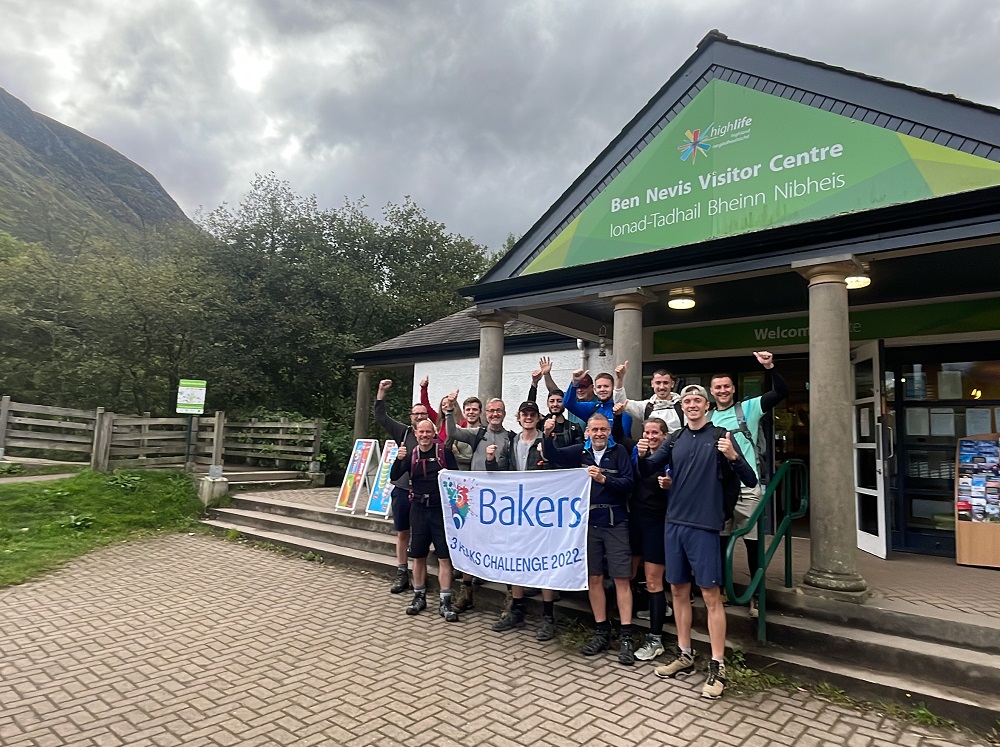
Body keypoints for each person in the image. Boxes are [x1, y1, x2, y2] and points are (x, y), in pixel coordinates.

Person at [637, 385, 757, 699]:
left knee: (710, 595)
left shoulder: (722, 436)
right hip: (673, 523)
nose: (691, 405)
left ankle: (718, 666)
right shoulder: (675, 438)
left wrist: (733, 456)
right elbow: (648, 468)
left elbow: (751, 480)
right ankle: (685, 654)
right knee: (677, 590)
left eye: (697, 400)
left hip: (704, 526)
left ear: (706, 405)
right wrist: (643, 454)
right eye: (687, 400)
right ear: (683, 407)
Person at [542, 412, 637, 665]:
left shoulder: (619, 453)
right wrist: (547, 435)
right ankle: (601, 630)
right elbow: (553, 456)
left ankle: (627, 636)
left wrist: (604, 479)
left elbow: (629, 483)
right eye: (594, 430)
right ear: (587, 432)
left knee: (621, 578)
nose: (598, 434)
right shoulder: (580, 452)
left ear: (609, 431)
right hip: (588, 525)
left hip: (616, 522)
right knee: (594, 578)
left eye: (602, 430)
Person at [708, 351, 788, 617]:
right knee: (719, 544)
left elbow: (781, 392)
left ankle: (755, 595)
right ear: (712, 391)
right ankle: (721, 592)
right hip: (719, 492)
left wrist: (769, 367)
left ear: (733, 389)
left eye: (726, 387)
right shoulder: (707, 418)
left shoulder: (749, 408)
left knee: (752, 544)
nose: (722, 391)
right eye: (717, 387)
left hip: (747, 490)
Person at [486, 401, 561, 641]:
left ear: (537, 417)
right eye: (524, 414)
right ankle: (517, 609)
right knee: (513, 558)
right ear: (518, 418)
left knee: (544, 561)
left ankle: (548, 617)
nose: (528, 418)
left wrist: (547, 454)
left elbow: (558, 469)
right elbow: (503, 473)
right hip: (516, 511)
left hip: (540, 511)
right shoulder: (511, 442)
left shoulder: (546, 440)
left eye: (532, 414)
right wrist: (490, 462)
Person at [444, 393, 515, 611]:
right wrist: (449, 411)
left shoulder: (512, 438)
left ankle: (511, 595)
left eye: (498, 411)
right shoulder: (478, 433)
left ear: (504, 414)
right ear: (486, 414)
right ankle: (466, 591)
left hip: (500, 502)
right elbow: (453, 432)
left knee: (504, 546)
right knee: (470, 543)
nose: (495, 414)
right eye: (491, 411)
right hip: (475, 499)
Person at [389, 419, 461, 622]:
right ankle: (419, 597)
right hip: (418, 510)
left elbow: (457, 478)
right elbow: (394, 476)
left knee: (444, 557)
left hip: (440, 512)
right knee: (418, 556)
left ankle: (445, 602)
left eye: (428, 432)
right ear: (415, 433)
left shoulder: (443, 452)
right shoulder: (411, 454)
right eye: (421, 432)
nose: (425, 435)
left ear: (434, 432)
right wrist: (398, 459)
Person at [374, 379, 427, 595]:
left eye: (423, 413)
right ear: (411, 417)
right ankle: (401, 572)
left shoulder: (431, 434)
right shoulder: (403, 432)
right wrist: (380, 393)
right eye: (416, 414)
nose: (419, 417)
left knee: (420, 535)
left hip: (423, 493)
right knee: (403, 533)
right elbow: (381, 418)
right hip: (403, 490)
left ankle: (418, 576)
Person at [630, 418, 673, 661]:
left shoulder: (671, 458)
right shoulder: (636, 453)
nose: (650, 436)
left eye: (655, 432)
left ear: (664, 436)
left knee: (654, 579)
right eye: (646, 432)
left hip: (657, 523)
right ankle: (655, 610)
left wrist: (671, 485)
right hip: (634, 520)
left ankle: (655, 638)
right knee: (628, 572)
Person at [613, 361, 683, 434]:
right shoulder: (646, 406)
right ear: (652, 384)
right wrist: (619, 379)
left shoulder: (683, 406)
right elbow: (620, 404)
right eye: (658, 383)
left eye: (665, 383)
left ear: (672, 384)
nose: (662, 387)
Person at [564, 369, 633, 440]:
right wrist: (575, 382)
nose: (602, 389)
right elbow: (568, 403)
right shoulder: (592, 407)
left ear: (613, 388)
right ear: (594, 389)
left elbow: (621, 438)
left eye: (606, 386)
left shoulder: (622, 410)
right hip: (592, 450)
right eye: (599, 387)